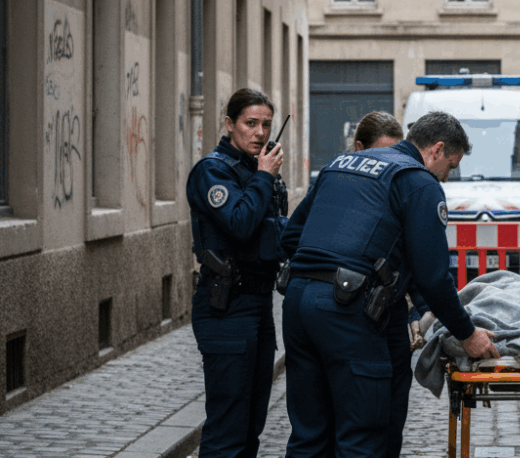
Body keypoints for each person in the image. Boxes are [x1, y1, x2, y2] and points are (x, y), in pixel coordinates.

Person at [280, 111, 499, 458]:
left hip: (297, 305)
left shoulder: (341, 164)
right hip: (349, 313)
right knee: (362, 437)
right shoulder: (420, 182)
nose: (448, 175)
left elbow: (292, 235)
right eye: (451, 165)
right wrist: (467, 334)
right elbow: (433, 276)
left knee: (309, 435)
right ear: (437, 150)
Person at [186, 88, 287, 458]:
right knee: (227, 426)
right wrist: (264, 177)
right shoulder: (213, 170)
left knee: (251, 425)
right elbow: (241, 224)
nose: (260, 133)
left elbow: (275, 231)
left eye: (266, 125)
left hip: (259, 305)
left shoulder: (258, 171)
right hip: (225, 306)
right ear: (230, 124)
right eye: (250, 123)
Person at [349, 110, 429, 458]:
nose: (389, 165)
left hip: (392, 310)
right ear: (359, 149)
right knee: (361, 420)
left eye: (396, 154)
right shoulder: (345, 184)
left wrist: (420, 312)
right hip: (353, 312)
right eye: (382, 154)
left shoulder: (402, 187)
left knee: (392, 414)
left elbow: (409, 258)